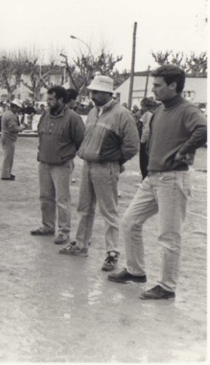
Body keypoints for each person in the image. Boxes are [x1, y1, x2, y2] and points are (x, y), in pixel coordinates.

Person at [108, 65, 207, 300]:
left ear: (173, 86)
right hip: (153, 178)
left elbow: (203, 129)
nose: (153, 90)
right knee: (130, 221)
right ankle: (136, 271)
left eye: (157, 85)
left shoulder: (187, 109)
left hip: (173, 179)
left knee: (169, 236)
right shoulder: (161, 110)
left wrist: (184, 150)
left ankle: (167, 286)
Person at [59, 76, 139, 272]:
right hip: (88, 164)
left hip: (106, 166)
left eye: (96, 92)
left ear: (107, 93)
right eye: (92, 92)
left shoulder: (122, 114)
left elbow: (132, 145)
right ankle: (80, 244)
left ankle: (112, 252)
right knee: (84, 207)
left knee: (108, 210)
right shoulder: (94, 112)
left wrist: (115, 161)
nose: (92, 96)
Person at [30, 86, 85, 245]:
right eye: (47, 99)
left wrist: (66, 155)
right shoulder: (46, 114)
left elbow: (81, 141)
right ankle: (47, 226)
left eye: (51, 99)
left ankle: (64, 232)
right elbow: (40, 133)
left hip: (62, 165)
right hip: (44, 163)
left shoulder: (73, 118)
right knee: (45, 197)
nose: (48, 102)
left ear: (61, 100)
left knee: (62, 199)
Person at [1, 99, 26, 181]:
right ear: (14, 107)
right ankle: (5, 174)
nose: (19, 110)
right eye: (18, 108)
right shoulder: (11, 115)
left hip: (7, 136)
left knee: (8, 156)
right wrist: (21, 128)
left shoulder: (8, 113)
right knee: (8, 157)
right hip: (9, 137)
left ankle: (7, 173)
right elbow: (13, 128)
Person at [137, 97, 157, 180]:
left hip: (145, 140)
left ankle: (144, 178)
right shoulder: (153, 113)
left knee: (143, 161)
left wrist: (143, 141)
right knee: (146, 161)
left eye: (142, 106)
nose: (141, 108)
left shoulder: (147, 114)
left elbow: (146, 129)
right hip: (150, 140)